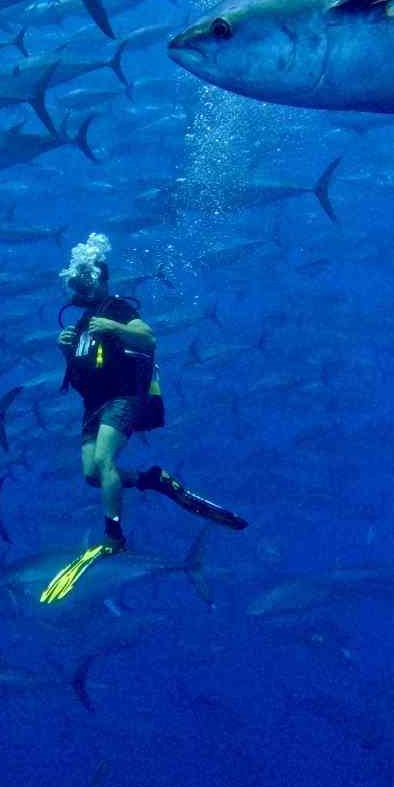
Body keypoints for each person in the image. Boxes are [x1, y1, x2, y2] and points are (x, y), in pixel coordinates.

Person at [41, 234, 247, 604]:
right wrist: (66, 350)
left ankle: (114, 535)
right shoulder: (85, 321)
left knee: (105, 461)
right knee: (92, 474)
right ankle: (153, 480)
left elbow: (147, 338)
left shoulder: (117, 308)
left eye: (89, 282)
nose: (83, 289)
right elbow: (84, 370)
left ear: (102, 281)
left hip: (122, 398)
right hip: (93, 405)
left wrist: (114, 328)